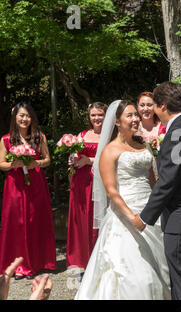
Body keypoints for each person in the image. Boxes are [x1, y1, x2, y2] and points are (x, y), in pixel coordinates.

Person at [75, 100, 170, 300]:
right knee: (137, 275)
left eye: (136, 114)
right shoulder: (110, 150)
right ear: (117, 122)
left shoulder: (143, 145)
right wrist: (132, 217)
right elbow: (111, 191)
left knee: (161, 268)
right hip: (126, 215)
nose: (136, 118)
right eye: (130, 115)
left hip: (150, 211)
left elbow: (152, 182)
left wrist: (158, 209)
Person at [133, 82, 181, 300]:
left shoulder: (179, 132)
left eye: (155, 105)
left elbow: (168, 180)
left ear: (163, 105)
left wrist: (146, 216)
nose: (153, 110)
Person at [0, 102, 56, 280]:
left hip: (36, 184)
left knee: (35, 221)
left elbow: (47, 159)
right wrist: (13, 164)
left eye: (28, 116)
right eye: (21, 116)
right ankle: (18, 266)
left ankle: (38, 263)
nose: (24, 119)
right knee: (16, 223)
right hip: (14, 185)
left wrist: (36, 163)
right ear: (15, 118)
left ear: (32, 118)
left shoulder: (39, 137)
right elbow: (1, 164)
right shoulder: (6, 139)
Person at [66, 102, 107, 270]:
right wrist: (72, 159)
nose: (96, 118)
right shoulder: (82, 134)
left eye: (100, 115)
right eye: (93, 115)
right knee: (81, 218)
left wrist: (89, 160)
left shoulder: (111, 136)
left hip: (100, 181)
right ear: (89, 117)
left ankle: (98, 257)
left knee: (97, 217)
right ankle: (81, 258)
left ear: (106, 116)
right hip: (81, 182)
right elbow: (76, 154)